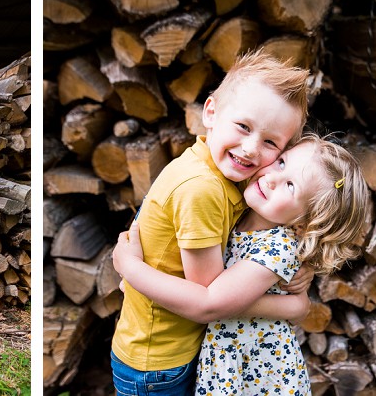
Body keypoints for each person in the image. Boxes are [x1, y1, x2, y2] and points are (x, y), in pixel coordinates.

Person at [110, 49, 312, 395]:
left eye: (270, 143)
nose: (250, 149)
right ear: (211, 111)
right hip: (160, 361)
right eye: (243, 126)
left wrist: (291, 270)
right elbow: (211, 296)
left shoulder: (224, 173)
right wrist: (292, 304)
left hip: (175, 349)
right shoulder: (202, 188)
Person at [114, 135, 372, 395]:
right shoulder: (241, 207)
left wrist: (132, 267)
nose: (271, 178)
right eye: (281, 163)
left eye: (291, 186)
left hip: (251, 373)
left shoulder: (277, 250)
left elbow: (212, 301)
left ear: (306, 224)